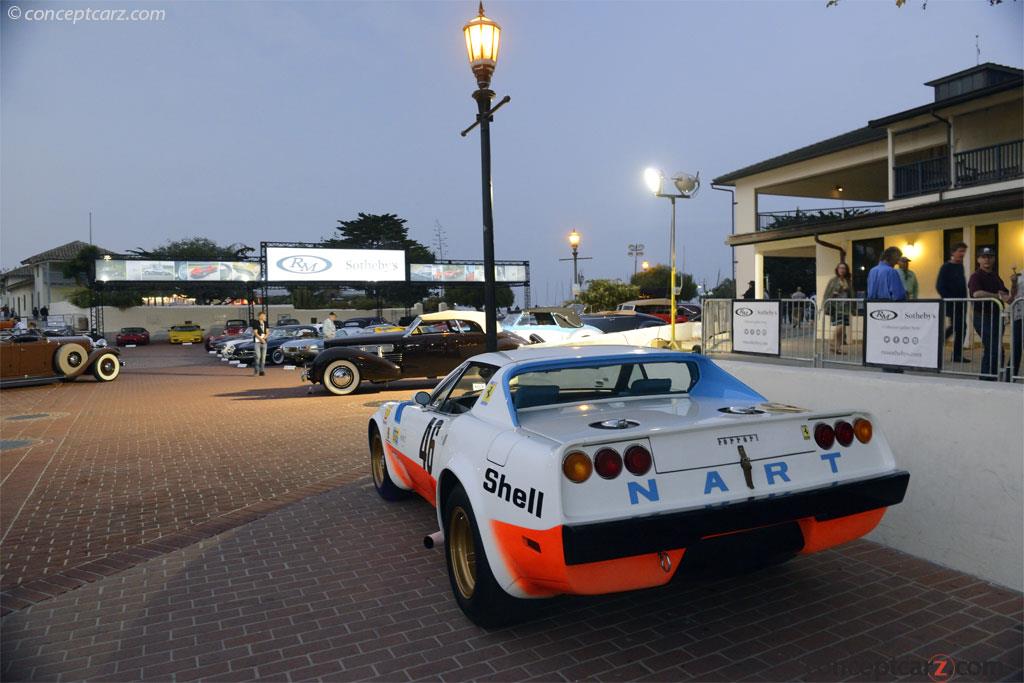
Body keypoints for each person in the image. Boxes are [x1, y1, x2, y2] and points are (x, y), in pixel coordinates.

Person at [968, 247, 1009, 380]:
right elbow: (976, 293)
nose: (987, 259)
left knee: (997, 348)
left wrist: (1013, 284)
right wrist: (996, 296)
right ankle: (986, 378)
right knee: (992, 348)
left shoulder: (995, 276)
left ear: (994, 259)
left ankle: (996, 376)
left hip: (997, 317)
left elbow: (1005, 294)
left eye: (990, 256)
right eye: (984, 257)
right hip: (983, 317)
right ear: (978, 259)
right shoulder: (976, 276)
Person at [937, 242, 969, 363]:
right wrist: (950, 298)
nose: (962, 254)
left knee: (959, 328)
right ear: (953, 252)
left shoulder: (960, 267)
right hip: (952, 303)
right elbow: (939, 286)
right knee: (959, 327)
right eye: (960, 251)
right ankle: (940, 345)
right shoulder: (946, 267)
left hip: (962, 303)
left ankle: (956, 354)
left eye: (964, 251)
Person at [823, 263, 854, 353]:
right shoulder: (833, 281)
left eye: (844, 268)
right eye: (840, 268)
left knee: (843, 328)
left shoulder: (848, 281)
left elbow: (851, 294)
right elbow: (827, 293)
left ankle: (838, 348)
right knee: (839, 326)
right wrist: (833, 294)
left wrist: (853, 307)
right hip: (835, 307)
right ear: (837, 269)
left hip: (846, 307)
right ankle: (833, 345)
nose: (842, 270)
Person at [1009, 270, 1022, 381]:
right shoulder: (1020, 275)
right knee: (1016, 348)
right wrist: (1013, 283)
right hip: (1020, 315)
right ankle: (1009, 378)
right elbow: (1012, 295)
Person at [252, 311, 269, 376]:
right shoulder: (255, 323)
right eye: (264, 316)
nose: (265, 317)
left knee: (263, 358)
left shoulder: (266, 323)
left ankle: (262, 371)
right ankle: (256, 371)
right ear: (260, 316)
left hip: (264, 342)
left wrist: (264, 339)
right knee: (258, 357)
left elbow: (267, 332)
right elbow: (255, 333)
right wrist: (261, 339)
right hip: (257, 342)